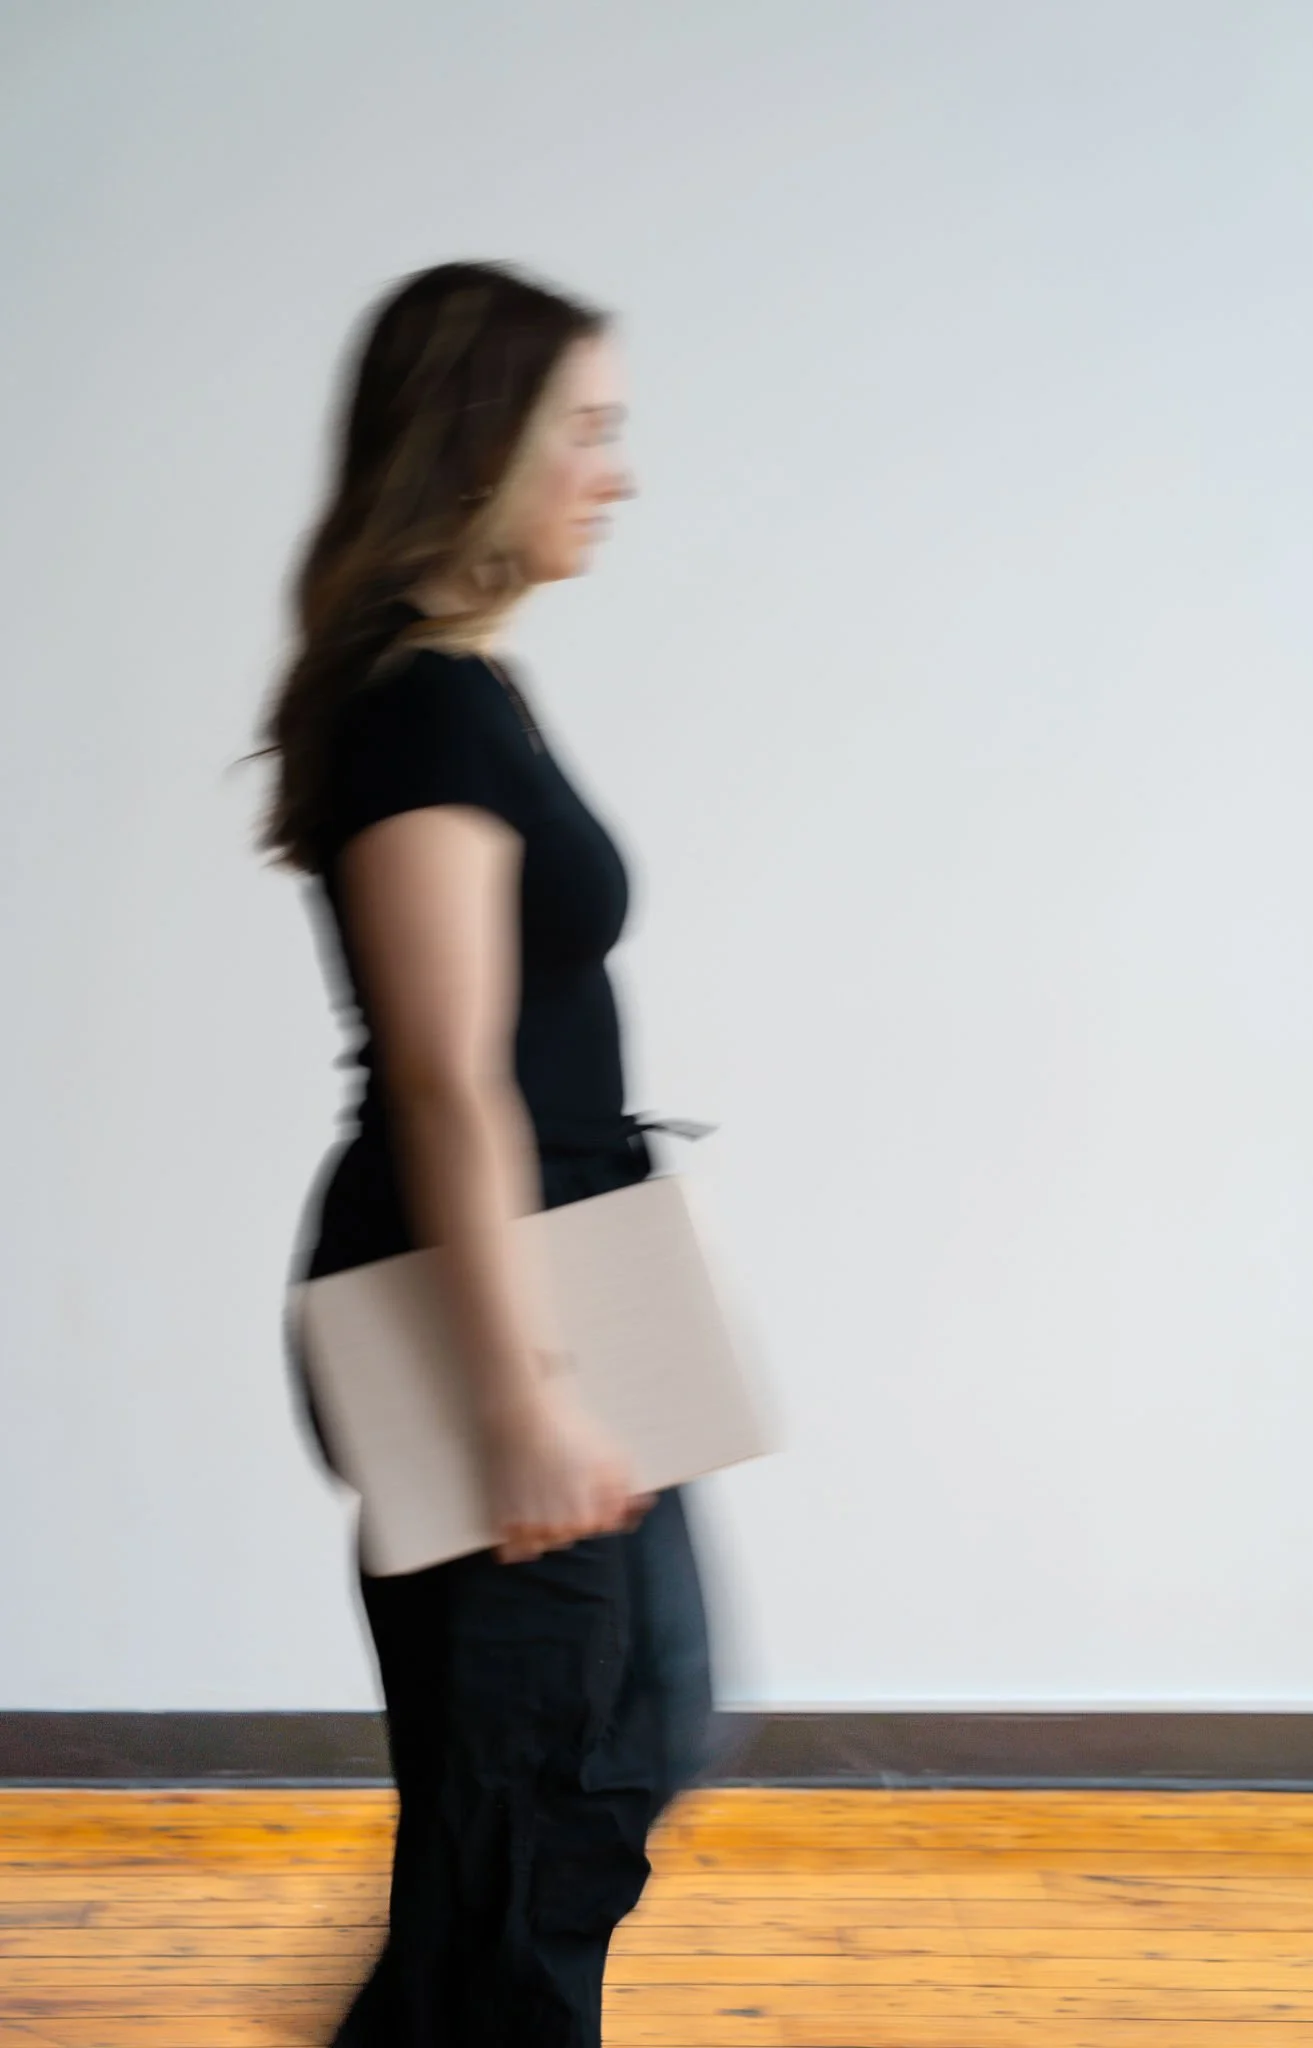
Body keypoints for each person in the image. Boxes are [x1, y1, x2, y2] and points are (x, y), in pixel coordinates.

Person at [251, 260, 719, 2046]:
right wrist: (516, 1389)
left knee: (632, 1725)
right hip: (491, 1281)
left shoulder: (469, 688)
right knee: (540, 1791)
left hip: (578, 1256)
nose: (619, 469)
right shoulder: (421, 715)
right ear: (478, 449)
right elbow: (448, 1079)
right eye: (586, 430)